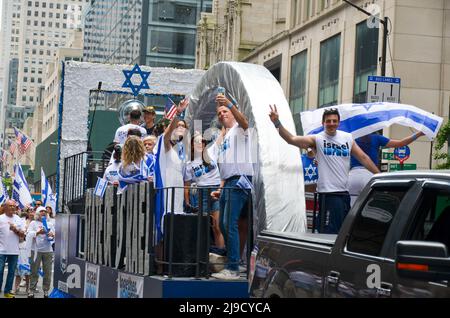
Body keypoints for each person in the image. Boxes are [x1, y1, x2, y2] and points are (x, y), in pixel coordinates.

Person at [269, 106, 380, 234]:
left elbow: (363, 157)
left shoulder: (347, 138)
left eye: (334, 121)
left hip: (344, 193)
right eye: (328, 121)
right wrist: (277, 122)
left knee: (342, 232)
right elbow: (291, 139)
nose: (331, 124)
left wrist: (380, 175)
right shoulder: (317, 139)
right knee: (332, 233)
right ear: (323, 123)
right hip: (328, 193)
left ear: (339, 122)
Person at [210, 92, 253, 280]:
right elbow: (224, 165)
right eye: (219, 113)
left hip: (239, 179)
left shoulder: (239, 128)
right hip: (228, 181)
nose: (222, 114)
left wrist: (230, 103)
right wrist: (220, 187)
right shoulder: (226, 136)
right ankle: (234, 262)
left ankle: (233, 267)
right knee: (223, 224)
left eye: (225, 111)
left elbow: (245, 121)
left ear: (233, 112)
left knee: (230, 223)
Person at [348, 130, 425, 205]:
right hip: (370, 176)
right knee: (372, 208)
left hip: (352, 177)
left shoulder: (350, 138)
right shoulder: (376, 138)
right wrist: (419, 134)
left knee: (350, 208)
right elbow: (401, 143)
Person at [184, 133, 224, 249]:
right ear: (192, 145)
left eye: (202, 141)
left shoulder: (211, 152)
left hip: (217, 190)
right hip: (202, 193)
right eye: (196, 141)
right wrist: (187, 202)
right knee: (202, 227)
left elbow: (223, 133)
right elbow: (186, 184)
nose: (199, 143)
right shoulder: (189, 164)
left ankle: (220, 255)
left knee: (217, 226)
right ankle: (202, 257)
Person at [27, 206, 55, 298]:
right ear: (37, 213)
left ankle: (46, 290)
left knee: (47, 272)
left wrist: (51, 235)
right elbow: (29, 234)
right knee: (34, 271)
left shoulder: (50, 223)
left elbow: (53, 237)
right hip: (35, 250)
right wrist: (38, 232)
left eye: (45, 212)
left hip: (48, 250)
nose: (44, 213)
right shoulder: (33, 223)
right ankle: (31, 290)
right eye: (41, 211)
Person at [0, 200, 25, 298]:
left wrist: (15, 230)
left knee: (11, 272)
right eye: (10, 206)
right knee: (0, 271)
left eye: (14, 206)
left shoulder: (18, 219)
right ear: (5, 207)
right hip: (1, 250)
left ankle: (7, 292)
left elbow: (23, 235)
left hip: (14, 250)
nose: (12, 208)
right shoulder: (0, 218)